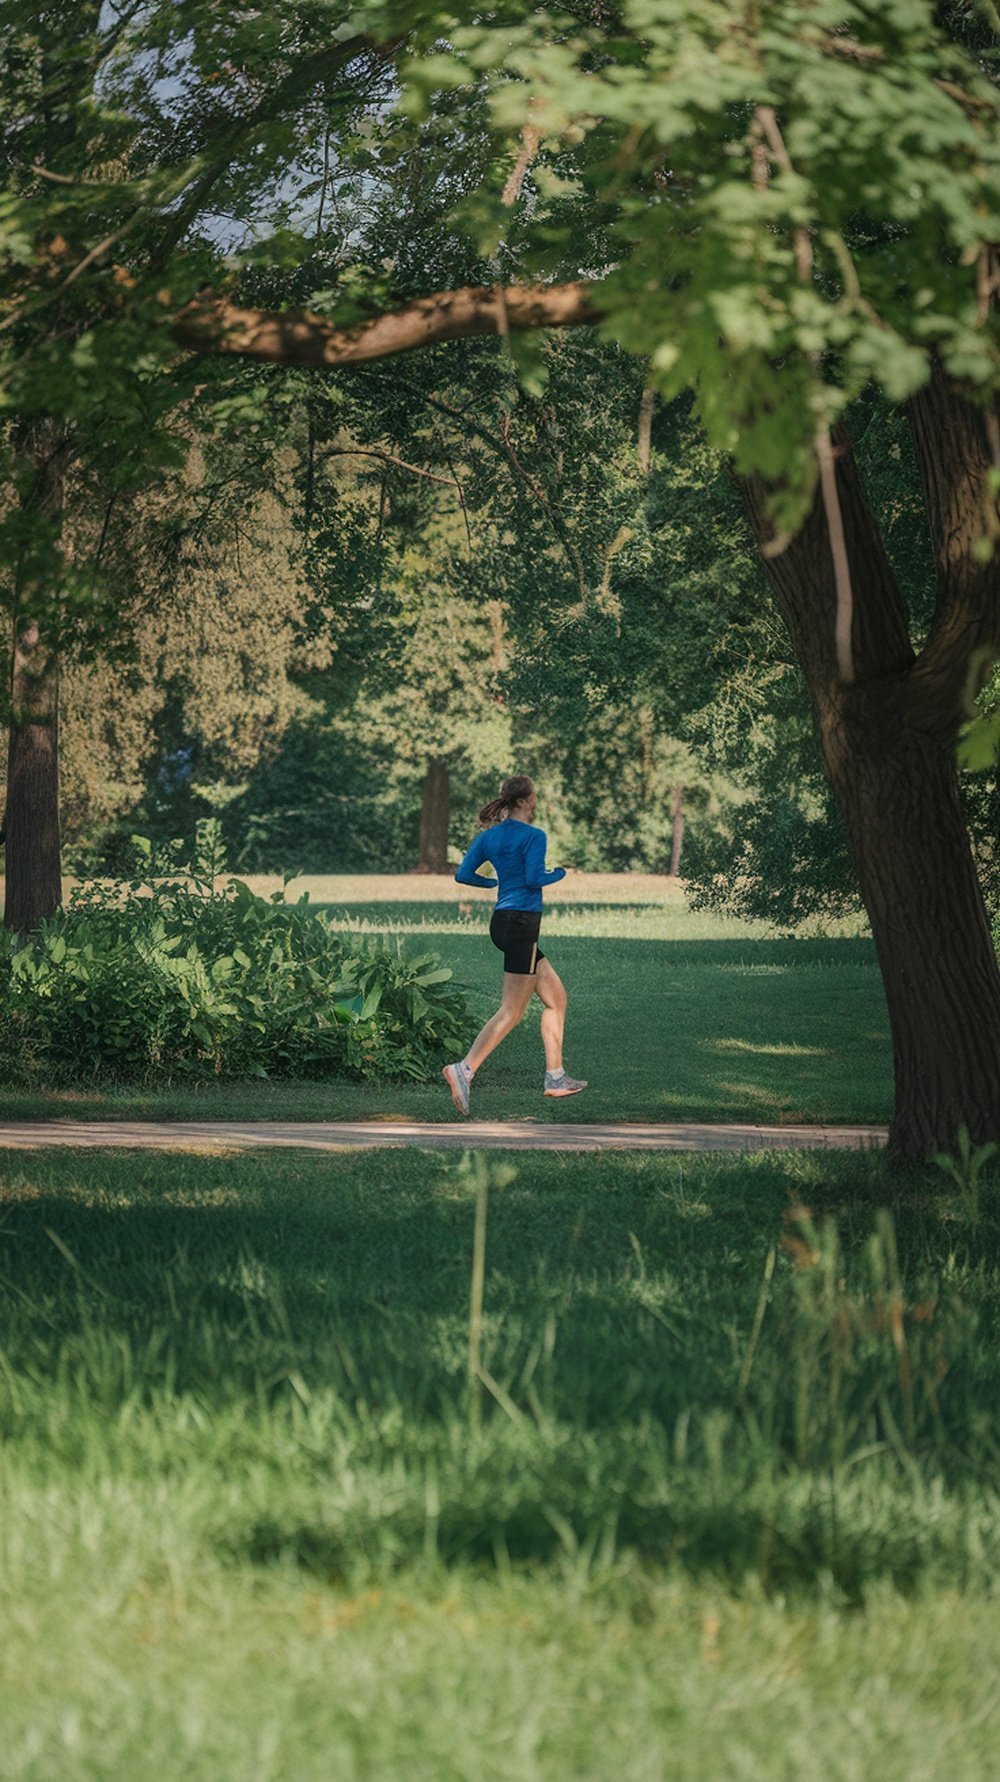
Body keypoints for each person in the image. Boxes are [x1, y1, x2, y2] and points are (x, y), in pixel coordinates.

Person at [443, 773, 587, 1115]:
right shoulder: (534, 836)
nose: (536, 802)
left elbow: (463, 874)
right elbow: (534, 878)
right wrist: (560, 874)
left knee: (556, 999)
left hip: (503, 923)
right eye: (534, 797)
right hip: (522, 923)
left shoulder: (490, 837)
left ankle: (556, 1076)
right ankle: (463, 1070)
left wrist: (493, 880)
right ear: (524, 801)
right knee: (512, 1010)